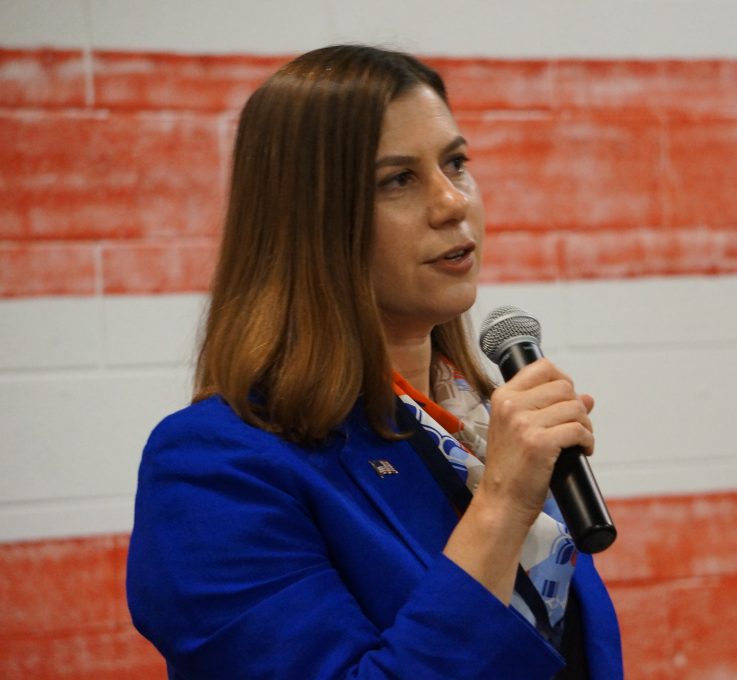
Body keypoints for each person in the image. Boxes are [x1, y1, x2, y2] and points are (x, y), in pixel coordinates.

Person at [126, 44, 622, 679]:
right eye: (398, 180)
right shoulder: (211, 469)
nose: (452, 203)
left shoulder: (469, 428)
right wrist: (499, 505)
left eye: (456, 163)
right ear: (308, 221)